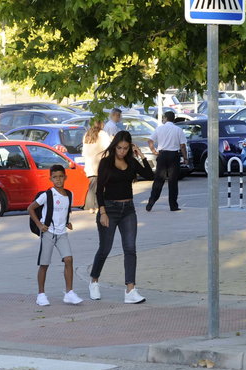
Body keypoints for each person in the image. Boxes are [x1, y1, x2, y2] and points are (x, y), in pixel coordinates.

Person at [89, 131, 154, 303]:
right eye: (119, 148)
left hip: (128, 210)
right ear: (114, 146)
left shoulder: (131, 162)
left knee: (130, 249)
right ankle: (94, 281)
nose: (122, 151)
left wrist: (142, 157)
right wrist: (102, 212)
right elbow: (99, 190)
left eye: (126, 148)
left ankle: (130, 290)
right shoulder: (106, 163)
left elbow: (150, 176)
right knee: (105, 249)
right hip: (109, 209)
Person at [27, 165, 83, 306]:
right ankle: (41, 294)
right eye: (55, 177)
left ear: (65, 177)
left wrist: (67, 222)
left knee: (69, 259)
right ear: (50, 178)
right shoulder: (47, 195)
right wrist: (40, 225)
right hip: (48, 233)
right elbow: (30, 208)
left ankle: (69, 293)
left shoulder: (69, 194)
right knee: (44, 264)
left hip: (62, 233)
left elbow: (64, 211)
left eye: (61, 176)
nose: (58, 179)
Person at [145, 111, 188, 212]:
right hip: (174, 155)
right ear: (173, 119)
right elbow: (182, 145)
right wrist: (185, 158)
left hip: (162, 155)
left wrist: (154, 151)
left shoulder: (159, 128)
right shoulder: (178, 130)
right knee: (173, 182)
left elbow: (150, 140)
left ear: (165, 118)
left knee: (159, 180)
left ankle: (151, 202)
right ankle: (173, 206)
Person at [82, 120, 111, 213]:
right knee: (101, 187)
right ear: (101, 124)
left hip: (89, 165)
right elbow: (108, 148)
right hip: (100, 165)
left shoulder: (87, 135)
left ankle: (91, 207)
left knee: (92, 187)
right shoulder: (103, 134)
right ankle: (99, 206)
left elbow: (84, 151)